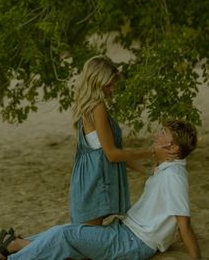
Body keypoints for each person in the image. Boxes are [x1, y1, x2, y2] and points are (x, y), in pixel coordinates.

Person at [0, 119, 200, 259]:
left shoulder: (174, 177)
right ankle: (12, 245)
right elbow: (170, 214)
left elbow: (184, 224)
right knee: (69, 232)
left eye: (163, 134)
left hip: (131, 243)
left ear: (172, 147)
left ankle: (13, 252)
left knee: (64, 235)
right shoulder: (165, 169)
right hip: (124, 233)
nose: (156, 135)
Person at [70, 55, 174, 225]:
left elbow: (113, 153)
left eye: (114, 84)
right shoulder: (98, 107)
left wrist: (147, 172)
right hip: (95, 186)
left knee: (79, 238)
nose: (113, 89)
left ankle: (16, 243)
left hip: (91, 181)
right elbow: (112, 155)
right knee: (79, 241)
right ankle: (18, 244)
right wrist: (151, 151)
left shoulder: (89, 107)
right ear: (96, 81)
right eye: (109, 84)